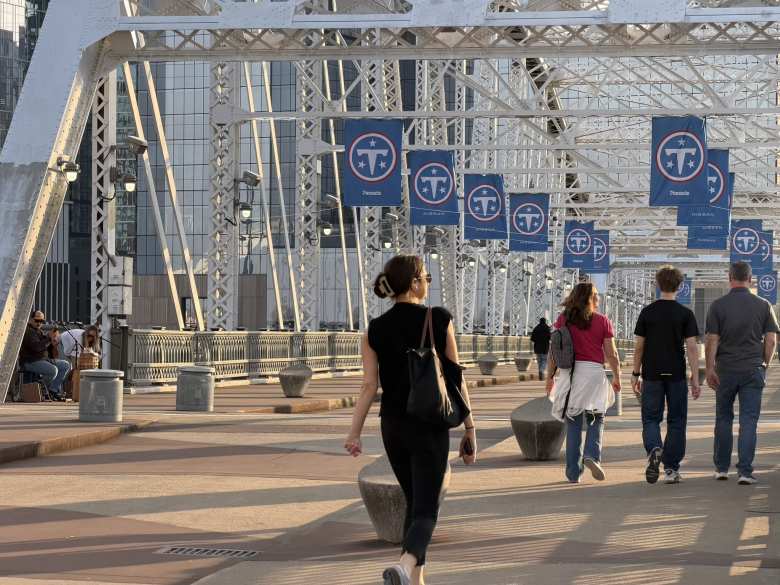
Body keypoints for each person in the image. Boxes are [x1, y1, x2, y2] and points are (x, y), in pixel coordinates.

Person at [344, 255, 477, 585]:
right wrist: (470, 427)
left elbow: (368, 386)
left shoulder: (374, 329)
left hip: (393, 426)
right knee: (426, 510)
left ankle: (414, 580)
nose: (427, 283)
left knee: (415, 504)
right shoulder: (439, 319)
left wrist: (355, 433)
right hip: (428, 422)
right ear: (415, 283)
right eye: (426, 278)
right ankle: (404, 566)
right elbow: (455, 379)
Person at [705, 261, 778, 485]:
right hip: (752, 369)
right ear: (751, 279)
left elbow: (711, 340)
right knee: (749, 421)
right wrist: (764, 363)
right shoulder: (763, 304)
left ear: (730, 278)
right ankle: (745, 472)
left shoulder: (717, 305)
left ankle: (721, 468)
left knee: (724, 418)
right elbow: (772, 340)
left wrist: (709, 368)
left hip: (725, 369)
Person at [545, 283, 621, 483]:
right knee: (597, 417)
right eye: (595, 295)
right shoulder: (602, 321)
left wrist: (549, 378)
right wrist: (617, 376)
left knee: (573, 423)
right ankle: (591, 455)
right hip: (594, 374)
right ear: (587, 298)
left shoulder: (563, 320)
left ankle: (573, 473)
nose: (598, 299)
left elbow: (554, 351)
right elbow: (611, 354)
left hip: (570, 374)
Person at [632, 266, 700, 485]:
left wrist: (635, 373)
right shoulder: (685, 314)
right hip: (677, 375)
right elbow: (691, 347)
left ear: (657, 285)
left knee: (651, 418)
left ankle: (654, 448)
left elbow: (639, 347)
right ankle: (671, 469)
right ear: (680, 287)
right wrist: (695, 378)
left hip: (651, 374)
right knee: (677, 421)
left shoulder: (647, 312)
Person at [19, 310, 71, 401]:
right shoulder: (28, 331)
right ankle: (41, 390)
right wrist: (48, 338)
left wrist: (53, 342)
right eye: (37, 320)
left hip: (43, 359)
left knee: (65, 365)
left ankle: (52, 390)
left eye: (41, 321)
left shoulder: (39, 331)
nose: (39, 323)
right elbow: (37, 347)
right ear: (30, 320)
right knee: (53, 370)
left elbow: (48, 349)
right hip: (31, 361)